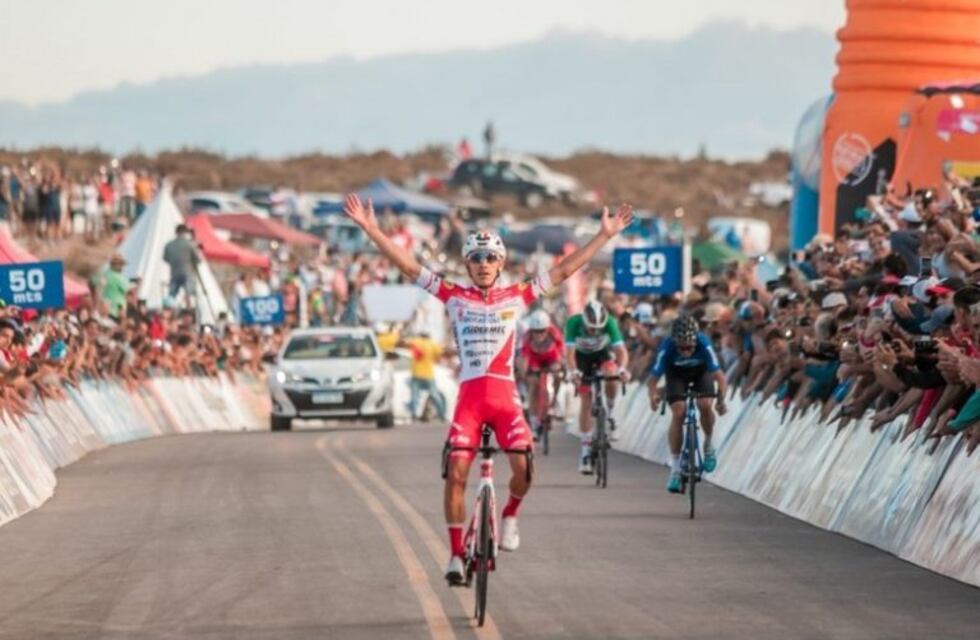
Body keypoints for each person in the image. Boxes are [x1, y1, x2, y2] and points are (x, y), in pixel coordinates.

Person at [343, 193, 633, 586]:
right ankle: (455, 554)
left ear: (500, 263)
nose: (483, 264)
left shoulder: (517, 295)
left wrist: (604, 236)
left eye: (490, 258)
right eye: (476, 258)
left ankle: (510, 514)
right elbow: (409, 266)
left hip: (504, 400)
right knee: (456, 474)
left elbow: (564, 270)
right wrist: (372, 229)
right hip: (469, 402)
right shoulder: (453, 295)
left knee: (524, 467)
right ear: (467, 264)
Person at [647, 315, 728, 493]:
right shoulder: (667, 346)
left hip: (701, 373)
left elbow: (720, 377)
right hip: (676, 375)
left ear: (695, 341)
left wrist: (721, 400)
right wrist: (652, 396)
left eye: (690, 347)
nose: (686, 351)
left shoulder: (704, 343)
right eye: (681, 347)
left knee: (705, 405)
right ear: (674, 342)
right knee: (678, 412)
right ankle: (675, 469)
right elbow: (652, 379)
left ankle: (708, 444)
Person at [564, 300, 629, 474]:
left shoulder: (610, 323)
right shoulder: (574, 323)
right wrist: (573, 371)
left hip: (602, 354)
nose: (595, 331)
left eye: (598, 328)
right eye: (592, 327)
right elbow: (569, 354)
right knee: (586, 400)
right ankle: (585, 452)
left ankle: (611, 414)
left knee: (611, 374)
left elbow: (621, 351)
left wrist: (622, 369)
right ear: (584, 320)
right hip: (581, 359)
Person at [518, 309, 564, 440]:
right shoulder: (527, 337)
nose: (539, 335)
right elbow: (524, 358)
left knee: (557, 374)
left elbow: (562, 352)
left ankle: (554, 400)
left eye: (542, 331)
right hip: (535, 360)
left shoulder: (555, 334)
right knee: (533, 385)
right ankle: (534, 423)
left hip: (551, 358)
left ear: (548, 329)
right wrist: (524, 373)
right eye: (536, 331)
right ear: (531, 330)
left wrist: (560, 366)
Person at [404, 331, 447, 421]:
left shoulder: (416, 341)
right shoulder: (433, 344)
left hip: (416, 374)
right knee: (435, 395)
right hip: (428, 375)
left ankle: (414, 415)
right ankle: (442, 415)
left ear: (421, 336)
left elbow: (405, 343)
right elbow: (439, 356)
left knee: (414, 396)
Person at [163, 224, 201, 305]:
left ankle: (169, 308)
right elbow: (197, 259)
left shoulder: (169, 245)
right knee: (189, 293)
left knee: (172, 295)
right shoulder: (190, 244)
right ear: (185, 232)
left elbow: (166, 258)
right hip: (188, 273)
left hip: (174, 273)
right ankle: (188, 308)